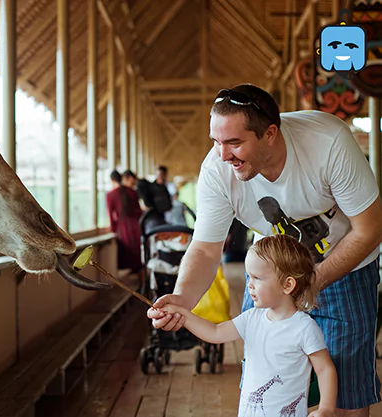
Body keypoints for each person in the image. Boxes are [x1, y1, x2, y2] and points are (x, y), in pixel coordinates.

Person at [147, 83, 382, 416]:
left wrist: (311, 283)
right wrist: (182, 299)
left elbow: (370, 229)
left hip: (347, 262)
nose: (223, 155)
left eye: (234, 143)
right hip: (271, 273)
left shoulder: (328, 142)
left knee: (345, 384)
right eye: (216, 142)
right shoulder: (218, 170)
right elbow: (204, 249)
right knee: (263, 373)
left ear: (270, 134)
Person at [149, 235, 337, 416]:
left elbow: (324, 369)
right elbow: (215, 332)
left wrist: (326, 409)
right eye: (249, 276)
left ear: (287, 285)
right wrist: (183, 314)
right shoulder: (252, 318)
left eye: (257, 278)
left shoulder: (304, 328)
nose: (250, 285)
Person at [106, 170, 142, 273]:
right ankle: (141, 280)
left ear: (112, 180)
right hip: (136, 226)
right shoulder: (132, 192)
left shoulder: (111, 195)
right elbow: (138, 210)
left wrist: (113, 228)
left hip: (123, 228)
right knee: (137, 256)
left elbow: (111, 215)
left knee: (128, 255)